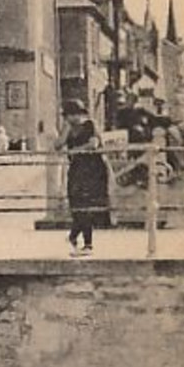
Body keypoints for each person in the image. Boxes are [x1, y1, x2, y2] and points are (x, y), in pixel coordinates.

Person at [58, 100, 112, 258]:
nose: (68, 119)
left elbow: (94, 144)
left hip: (92, 169)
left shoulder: (90, 125)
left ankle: (86, 242)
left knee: (86, 205)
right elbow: (58, 145)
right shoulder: (68, 128)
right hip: (76, 169)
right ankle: (74, 236)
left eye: (69, 116)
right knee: (75, 202)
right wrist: (65, 131)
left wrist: (76, 150)